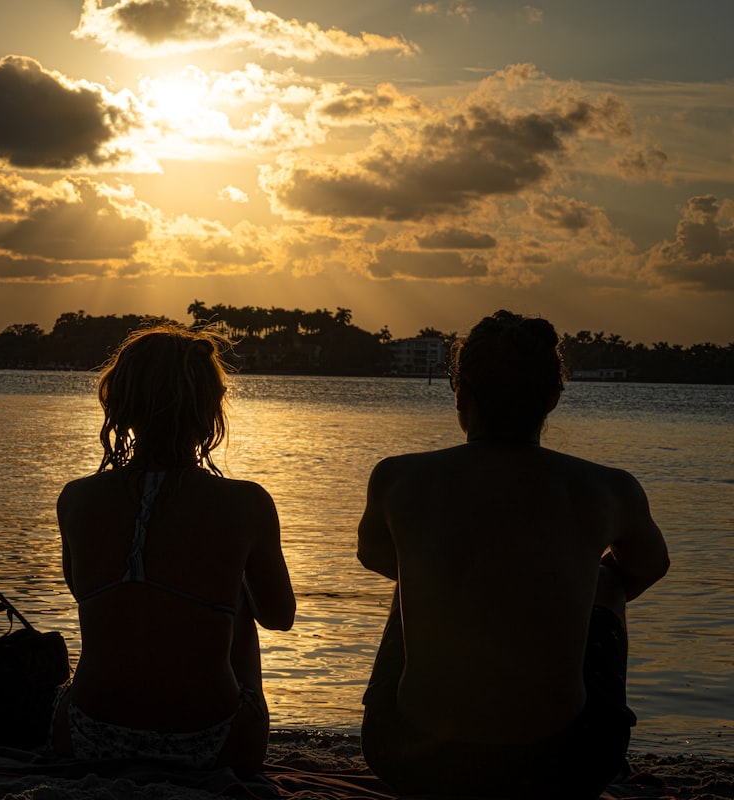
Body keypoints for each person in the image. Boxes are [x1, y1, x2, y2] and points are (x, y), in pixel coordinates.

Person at [357, 310, 669, 799]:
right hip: (565, 763)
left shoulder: (397, 478)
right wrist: (555, 588)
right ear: (553, 397)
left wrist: (465, 578)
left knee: (413, 573)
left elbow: (376, 557)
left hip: (410, 755)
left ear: (462, 395)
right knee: (606, 582)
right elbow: (649, 567)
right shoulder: (609, 489)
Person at [49, 323, 295, 774]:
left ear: (119, 404)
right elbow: (280, 617)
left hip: (86, 735)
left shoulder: (76, 498)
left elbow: (83, 590)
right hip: (215, 744)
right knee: (237, 597)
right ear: (208, 411)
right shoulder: (246, 502)